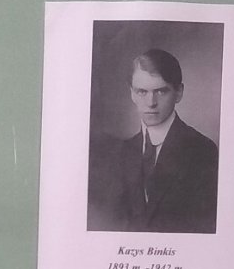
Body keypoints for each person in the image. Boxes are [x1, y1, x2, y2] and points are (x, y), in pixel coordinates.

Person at [87, 48, 218, 234]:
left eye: (161, 91)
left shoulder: (203, 152)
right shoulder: (120, 154)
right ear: (132, 94)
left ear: (178, 92)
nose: (151, 103)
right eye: (142, 92)